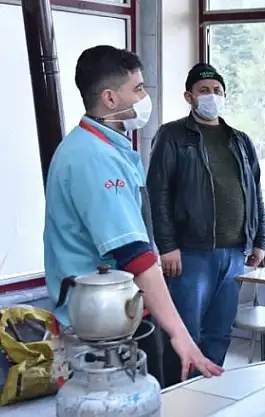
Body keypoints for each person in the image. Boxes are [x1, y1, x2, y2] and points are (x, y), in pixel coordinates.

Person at [43, 45, 223, 386]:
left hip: (117, 312)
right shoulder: (92, 158)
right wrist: (180, 333)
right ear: (110, 98)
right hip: (96, 324)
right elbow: (134, 255)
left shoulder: (106, 147)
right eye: (138, 89)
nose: (144, 98)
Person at [146, 63, 265, 384]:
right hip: (191, 253)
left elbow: (255, 191)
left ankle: (208, 393)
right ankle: (177, 396)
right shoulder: (172, 136)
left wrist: (259, 240)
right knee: (185, 332)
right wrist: (167, 246)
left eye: (217, 90)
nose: (211, 96)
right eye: (203, 90)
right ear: (189, 96)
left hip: (235, 254)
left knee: (219, 331)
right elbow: (158, 193)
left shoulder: (239, 140)